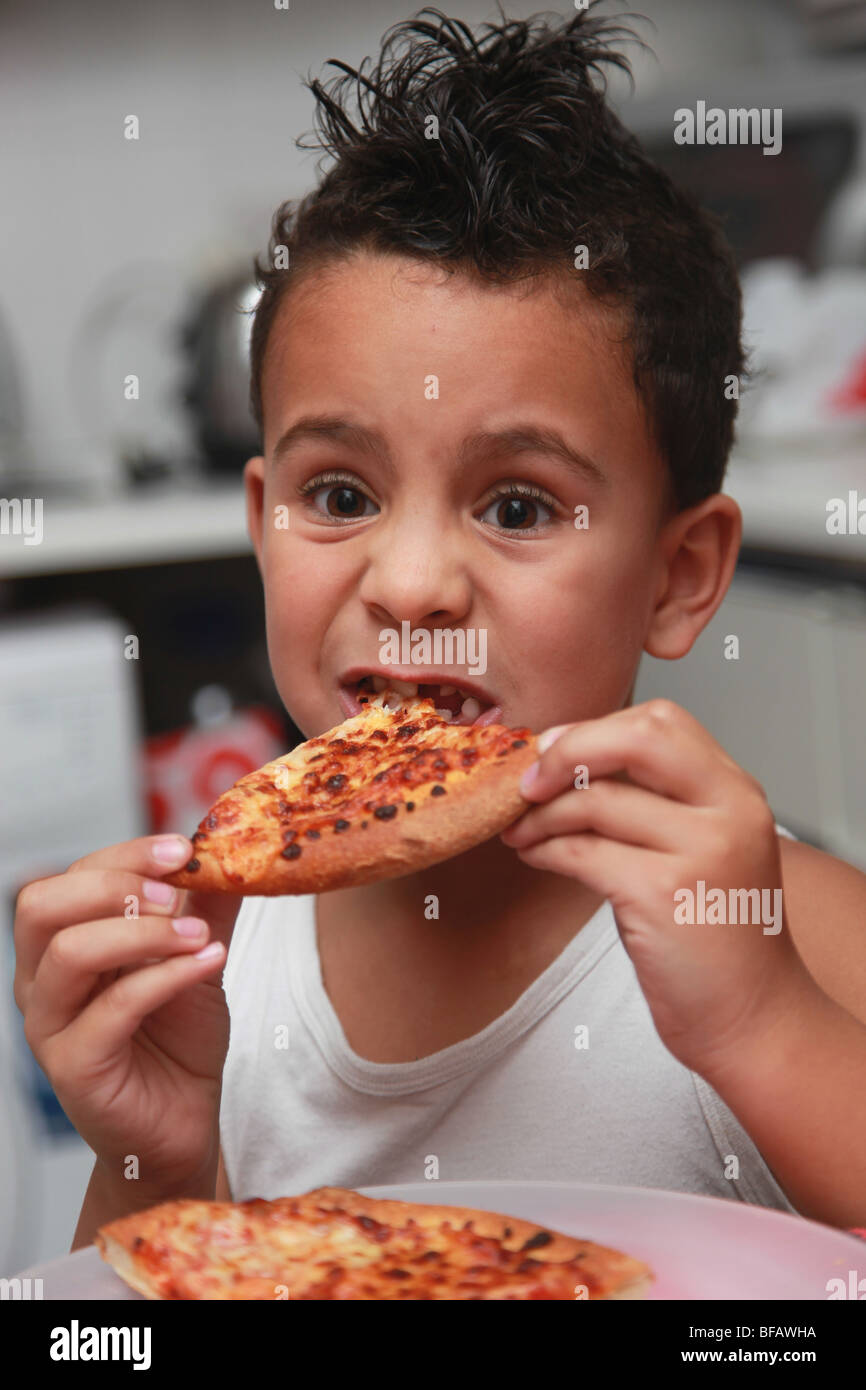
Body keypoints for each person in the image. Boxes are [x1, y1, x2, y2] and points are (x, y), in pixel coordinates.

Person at [14, 5, 866, 1256]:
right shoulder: (212, 954)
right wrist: (150, 1154)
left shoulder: (785, 925)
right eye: (342, 496)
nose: (410, 582)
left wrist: (759, 1022)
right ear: (261, 525)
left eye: (516, 505)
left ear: (680, 576)